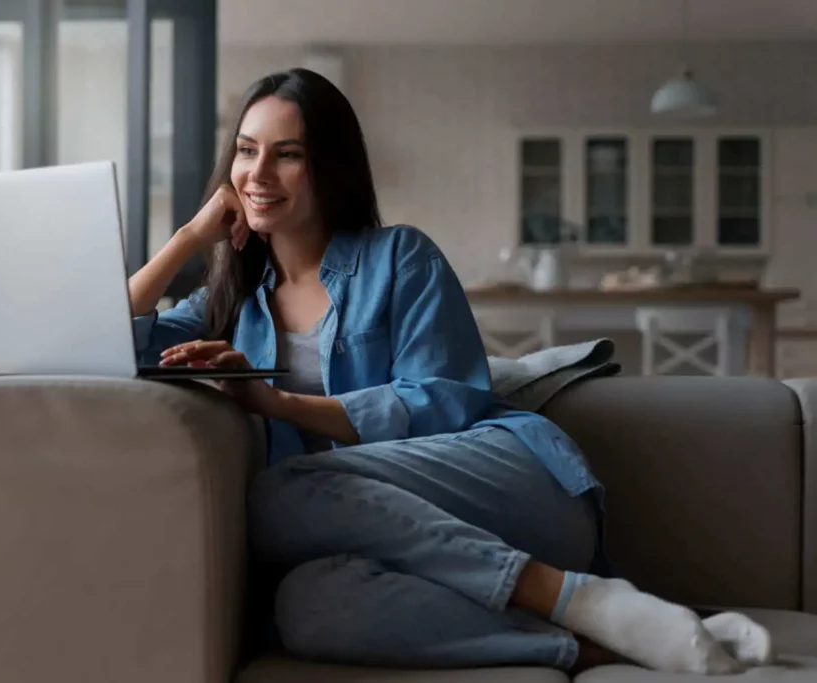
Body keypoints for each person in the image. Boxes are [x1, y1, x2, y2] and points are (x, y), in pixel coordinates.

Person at [126, 68, 773, 674]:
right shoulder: (232, 303)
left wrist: (281, 404)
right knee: (306, 604)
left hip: (507, 489)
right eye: (245, 150)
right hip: (390, 540)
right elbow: (114, 337)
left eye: (287, 153)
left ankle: (572, 591)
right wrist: (187, 237)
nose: (258, 171)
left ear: (330, 167)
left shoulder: (400, 256)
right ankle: (589, 641)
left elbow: (443, 402)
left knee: (276, 493)